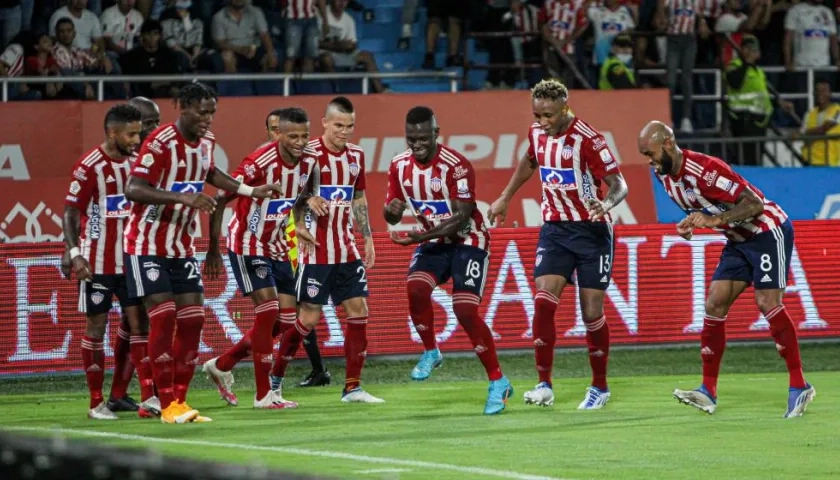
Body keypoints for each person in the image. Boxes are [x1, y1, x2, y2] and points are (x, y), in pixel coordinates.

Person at [123, 82, 282, 424]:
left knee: (194, 320)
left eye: (212, 112)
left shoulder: (207, 142)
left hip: (180, 246)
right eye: (202, 111)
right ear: (183, 107)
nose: (208, 118)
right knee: (163, 317)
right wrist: (182, 198)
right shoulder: (160, 141)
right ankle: (163, 403)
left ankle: (180, 401)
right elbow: (133, 188)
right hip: (147, 245)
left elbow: (209, 172)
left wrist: (250, 190)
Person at [638, 120, 816, 418]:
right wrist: (691, 221)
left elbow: (754, 204)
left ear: (668, 144)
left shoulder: (706, 170)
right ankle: (708, 392)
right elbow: (703, 208)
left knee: (767, 302)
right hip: (737, 238)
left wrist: (714, 222)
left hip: (766, 231)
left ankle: (800, 386)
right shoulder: (665, 175)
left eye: (650, 153)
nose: (649, 161)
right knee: (714, 302)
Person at [488, 79, 629, 410]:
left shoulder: (589, 140)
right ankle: (544, 384)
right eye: (537, 115)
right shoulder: (537, 134)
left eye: (548, 115)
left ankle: (599, 387)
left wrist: (606, 204)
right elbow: (530, 160)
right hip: (555, 230)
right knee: (543, 301)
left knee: (591, 312)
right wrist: (506, 196)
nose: (542, 122)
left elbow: (618, 184)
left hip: (592, 233)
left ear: (565, 107)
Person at [384, 106, 512, 415]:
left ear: (436, 134)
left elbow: (461, 218)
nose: (417, 145)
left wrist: (417, 238)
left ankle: (498, 381)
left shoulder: (456, 166)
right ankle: (431, 350)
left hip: (469, 240)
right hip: (434, 242)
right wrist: (394, 211)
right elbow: (390, 212)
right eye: (411, 138)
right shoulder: (398, 166)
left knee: (464, 309)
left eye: (423, 138)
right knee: (415, 287)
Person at [202, 107, 316, 409]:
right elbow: (221, 196)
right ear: (278, 134)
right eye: (293, 135)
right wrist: (214, 249)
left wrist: (300, 224)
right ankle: (264, 395)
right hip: (248, 243)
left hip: (277, 244)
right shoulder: (260, 161)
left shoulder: (310, 161)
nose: (300, 141)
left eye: (304, 135)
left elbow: (302, 197)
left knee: (287, 319)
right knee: (267, 312)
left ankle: (223, 364)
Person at [283, 96, 383, 404]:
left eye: (350, 126)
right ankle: (274, 380)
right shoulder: (308, 154)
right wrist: (305, 204)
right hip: (315, 250)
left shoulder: (356, 155)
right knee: (308, 320)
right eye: (338, 125)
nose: (345, 132)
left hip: (347, 248)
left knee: (359, 311)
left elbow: (359, 198)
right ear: (325, 123)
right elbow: (286, 194)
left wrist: (366, 237)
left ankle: (353, 387)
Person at [61, 104, 158, 420]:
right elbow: (72, 211)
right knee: (96, 327)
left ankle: (149, 398)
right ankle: (95, 403)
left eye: (138, 132)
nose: (136, 138)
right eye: (131, 133)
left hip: (131, 260)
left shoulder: (137, 165)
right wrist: (74, 252)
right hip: (97, 263)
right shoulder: (90, 165)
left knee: (140, 323)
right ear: (112, 132)